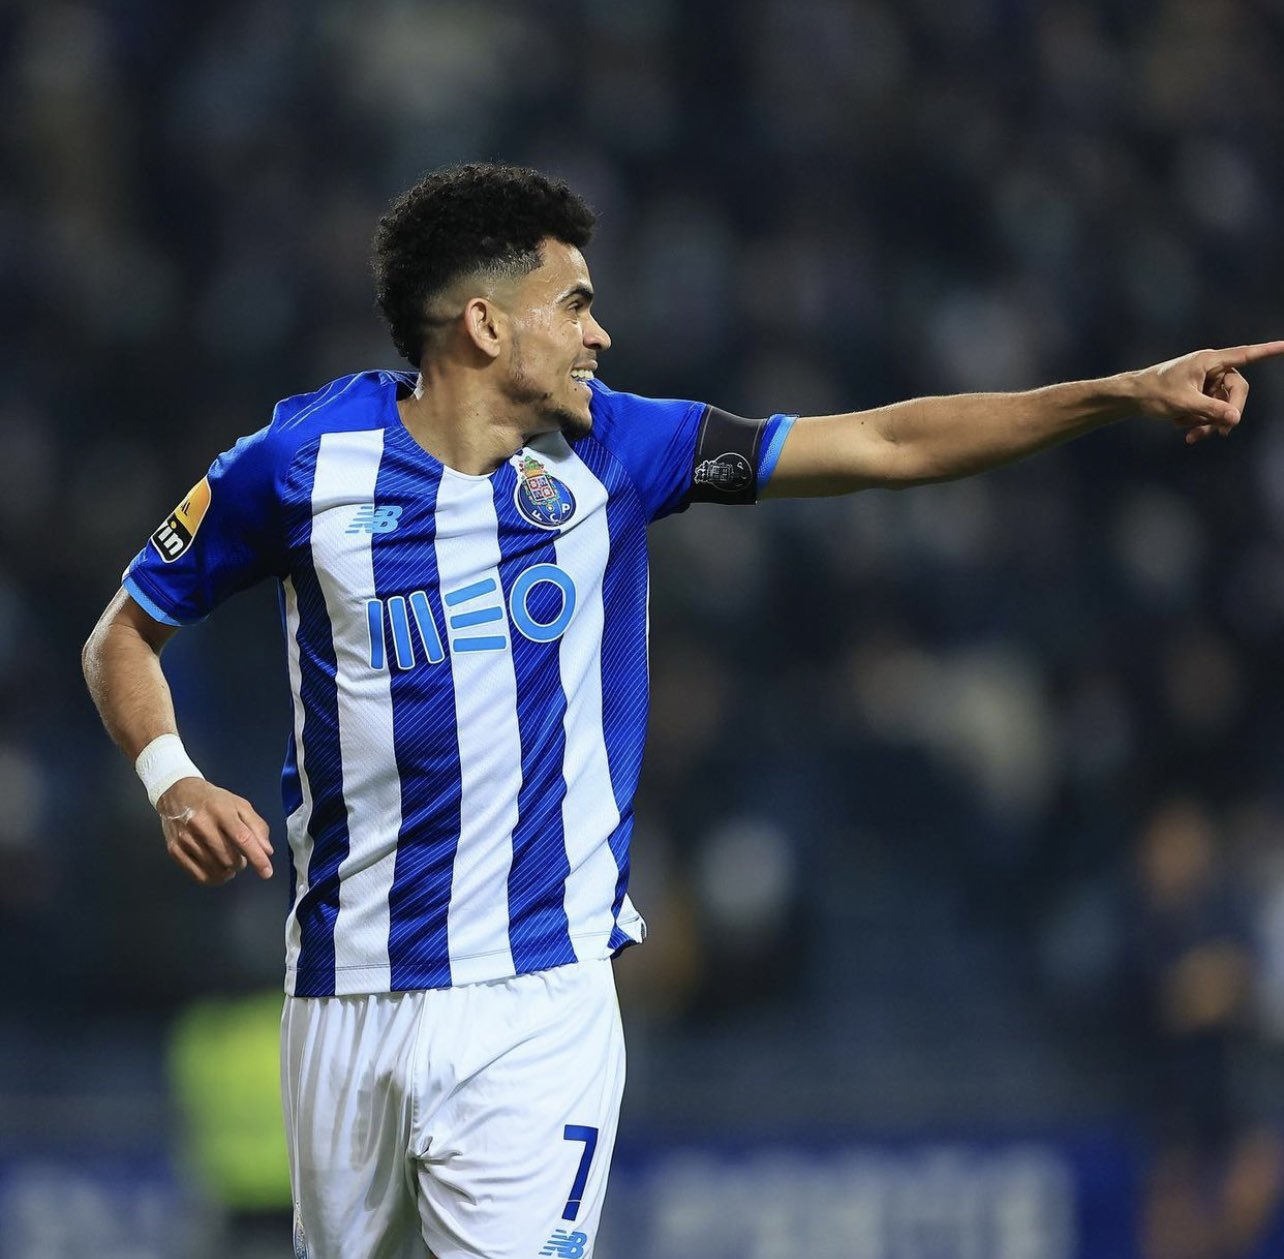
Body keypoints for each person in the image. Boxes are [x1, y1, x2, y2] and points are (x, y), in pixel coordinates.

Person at [81, 161, 1283, 1259]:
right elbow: (124, 629)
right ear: (487, 322)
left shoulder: (624, 449)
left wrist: (1121, 392)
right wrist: (171, 773)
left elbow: (885, 441)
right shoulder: (297, 461)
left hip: (535, 996)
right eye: (575, 302)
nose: (601, 331)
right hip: (340, 988)